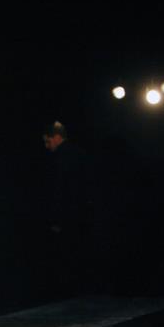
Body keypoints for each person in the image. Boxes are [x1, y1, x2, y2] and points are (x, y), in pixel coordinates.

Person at [42, 121, 92, 299]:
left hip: (67, 217)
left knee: (67, 257)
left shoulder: (60, 158)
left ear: (57, 137)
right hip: (82, 214)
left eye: (48, 141)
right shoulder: (80, 154)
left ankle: (69, 292)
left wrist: (56, 219)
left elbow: (59, 190)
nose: (47, 146)